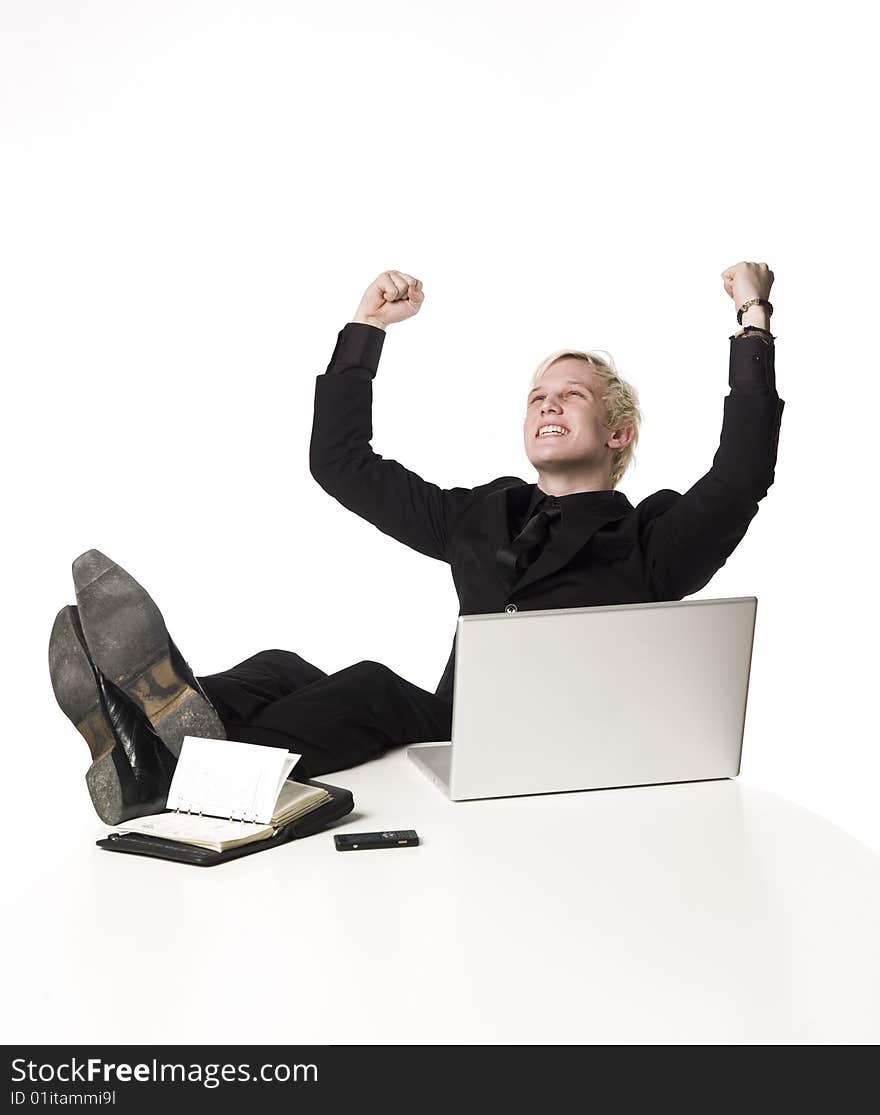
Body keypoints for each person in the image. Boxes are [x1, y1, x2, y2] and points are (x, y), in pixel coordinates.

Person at [48, 263, 784, 824]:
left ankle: (161, 749)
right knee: (279, 666)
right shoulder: (487, 516)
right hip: (453, 735)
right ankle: (148, 731)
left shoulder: (651, 541)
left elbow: (741, 473)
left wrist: (753, 318)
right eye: (537, 396)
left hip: (523, 752)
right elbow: (342, 463)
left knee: (370, 683)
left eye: (573, 395)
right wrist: (366, 328)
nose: (548, 402)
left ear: (618, 433)